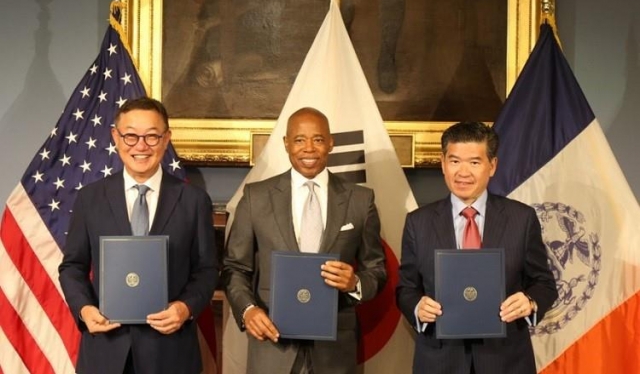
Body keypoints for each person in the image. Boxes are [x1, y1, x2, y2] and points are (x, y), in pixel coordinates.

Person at [58, 97, 218, 374]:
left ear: (166, 139)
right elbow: (72, 266)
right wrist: (85, 310)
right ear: (115, 137)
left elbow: (207, 270)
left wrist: (184, 308)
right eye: (131, 136)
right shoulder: (90, 198)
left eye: (152, 136)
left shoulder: (194, 201)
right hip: (106, 349)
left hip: (170, 353)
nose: (141, 146)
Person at [222, 107, 387, 374]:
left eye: (318, 139)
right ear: (286, 143)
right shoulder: (256, 197)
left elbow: (377, 270)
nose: (308, 148)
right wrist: (248, 310)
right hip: (272, 346)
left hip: (335, 350)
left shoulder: (360, 200)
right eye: (299, 140)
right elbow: (235, 268)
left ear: (331, 143)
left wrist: (355, 282)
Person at [395, 121, 558, 374]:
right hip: (439, 361)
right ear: (443, 163)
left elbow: (544, 283)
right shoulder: (418, 222)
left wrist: (530, 301)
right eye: (455, 161)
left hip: (506, 360)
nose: (463, 173)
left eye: (474, 162)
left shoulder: (522, 219)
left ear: (492, 166)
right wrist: (417, 306)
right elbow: (406, 288)